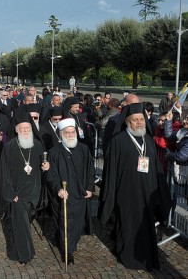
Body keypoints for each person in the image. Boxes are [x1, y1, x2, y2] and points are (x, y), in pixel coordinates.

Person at [100, 103, 172, 271]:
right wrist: (111, 194)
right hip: (126, 193)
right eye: (135, 120)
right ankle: (127, 255)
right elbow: (110, 171)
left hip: (147, 192)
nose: (139, 123)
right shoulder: (118, 141)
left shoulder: (148, 139)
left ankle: (147, 255)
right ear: (127, 121)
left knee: (145, 226)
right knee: (127, 225)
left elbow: (155, 166)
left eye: (141, 119)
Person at [0, 112, 49, 264]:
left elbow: (43, 166)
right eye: (22, 129)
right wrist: (10, 192)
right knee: (20, 222)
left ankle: (19, 249)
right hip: (17, 192)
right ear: (16, 130)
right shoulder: (9, 147)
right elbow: (4, 172)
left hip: (34, 191)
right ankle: (24, 253)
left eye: (28, 128)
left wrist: (46, 167)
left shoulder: (38, 145)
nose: (26, 131)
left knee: (24, 221)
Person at [46, 118, 95, 265]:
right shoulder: (54, 152)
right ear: (61, 134)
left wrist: (90, 187)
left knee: (77, 224)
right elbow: (50, 175)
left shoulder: (84, 149)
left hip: (79, 194)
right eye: (67, 133)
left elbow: (90, 169)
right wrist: (58, 189)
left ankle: (66, 242)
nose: (70, 135)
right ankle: (68, 251)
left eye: (72, 132)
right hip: (63, 195)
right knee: (65, 222)